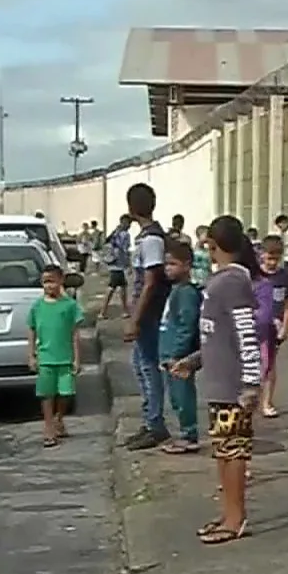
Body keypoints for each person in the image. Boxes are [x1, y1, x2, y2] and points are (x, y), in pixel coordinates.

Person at [168, 215, 261, 546]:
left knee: (233, 452)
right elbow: (215, 338)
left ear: (215, 245)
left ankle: (236, 519)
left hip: (233, 387)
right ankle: (228, 514)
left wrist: (251, 383)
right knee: (223, 451)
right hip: (219, 384)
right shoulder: (219, 282)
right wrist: (192, 363)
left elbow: (246, 335)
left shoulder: (232, 282)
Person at [121, 184, 172, 451]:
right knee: (141, 368)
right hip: (146, 312)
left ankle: (155, 424)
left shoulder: (151, 240)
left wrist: (136, 318)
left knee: (149, 368)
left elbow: (150, 282)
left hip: (151, 314)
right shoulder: (146, 237)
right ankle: (150, 419)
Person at [27, 264, 85, 448]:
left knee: (65, 393)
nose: (48, 286)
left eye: (52, 281)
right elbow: (31, 330)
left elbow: (75, 333)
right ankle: (48, 426)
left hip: (65, 358)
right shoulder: (37, 307)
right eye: (45, 282)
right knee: (46, 394)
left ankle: (59, 419)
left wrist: (77, 358)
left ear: (61, 281)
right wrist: (31, 355)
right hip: (46, 358)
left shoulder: (70, 306)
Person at [158, 240, 203, 454]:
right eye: (166, 264)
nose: (168, 268)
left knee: (183, 396)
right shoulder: (175, 290)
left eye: (173, 264)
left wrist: (177, 354)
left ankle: (189, 435)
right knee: (175, 398)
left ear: (187, 265)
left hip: (179, 356)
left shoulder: (187, 293)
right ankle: (185, 433)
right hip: (168, 353)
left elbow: (187, 325)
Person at [254, 234, 288, 418]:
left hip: (274, 326)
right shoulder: (254, 276)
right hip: (254, 324)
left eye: (275, 259)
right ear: (261, 254)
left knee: (269, 364)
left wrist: (286, 326)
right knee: (252, 363)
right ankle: (253, 398)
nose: (272, 262)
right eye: (269, 258)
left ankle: (267, 401)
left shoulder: (284, 277)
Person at [100, 215, 133, 320]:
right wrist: (129, 264)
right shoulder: (125, 235)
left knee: (120, 287)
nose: (129, 226)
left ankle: (123, 311)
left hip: (113, 263)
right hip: (118, 265)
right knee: (113, 288)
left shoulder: (115, 232)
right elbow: (124, 250)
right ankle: (103, 312)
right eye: (129, 223)